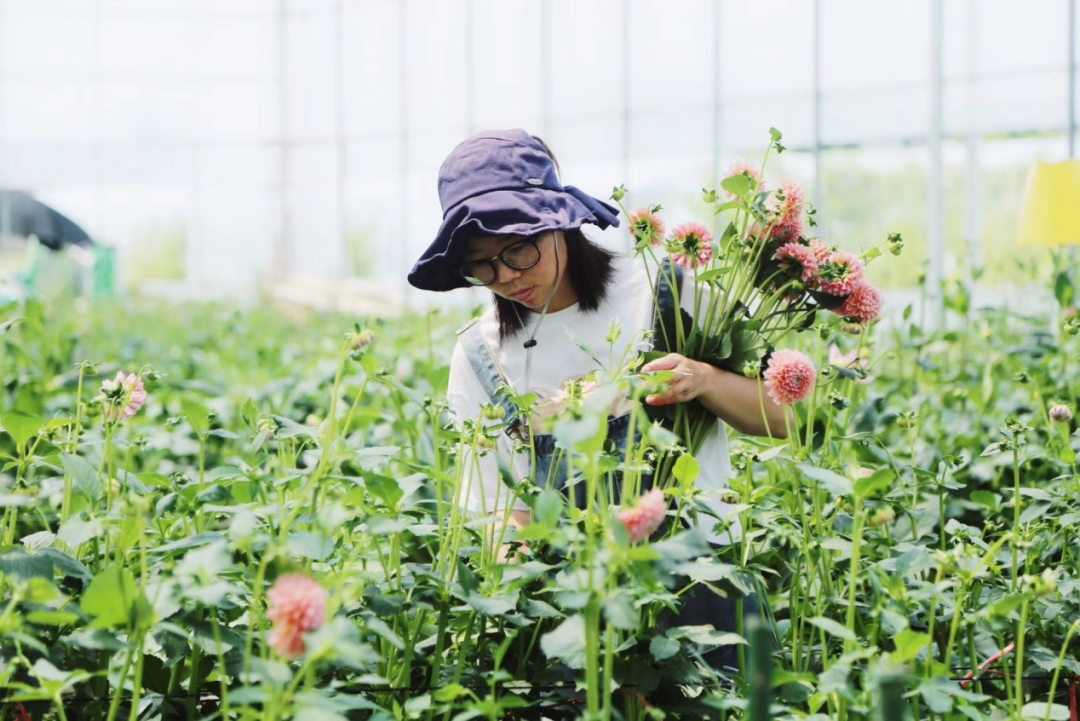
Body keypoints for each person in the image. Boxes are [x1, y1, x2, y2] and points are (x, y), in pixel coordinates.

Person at [407, 129, 787, 685]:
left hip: (700, 594)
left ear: (558, 219)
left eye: (518, 248)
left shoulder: (664, 292)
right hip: (573, 612)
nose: (507, 276)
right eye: (483, 265)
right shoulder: (480, 353)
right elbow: (495, 509)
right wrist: (514, 595)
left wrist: (703, 379)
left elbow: (788, 417)